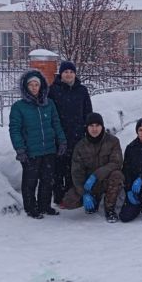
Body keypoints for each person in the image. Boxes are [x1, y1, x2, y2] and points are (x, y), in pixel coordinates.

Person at [9, 70, 67, 219]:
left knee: (48, 180)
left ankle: (45, 205)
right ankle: (31, 208)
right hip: (30, 151)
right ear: (25, 87)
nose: (34, 87)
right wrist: (20, 149)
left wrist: (61, 140)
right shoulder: (19, 107)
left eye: (37, 84)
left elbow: (56, 123)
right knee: (30, 181)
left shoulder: (49, 104)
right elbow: (15, 130)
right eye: (31, 85)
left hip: (48, 149)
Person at [48, 61, 92, 206]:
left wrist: (87, 131)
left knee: (74, 169)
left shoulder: (82, 90)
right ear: (61, 74)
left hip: (77, 135)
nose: (68, 74)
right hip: (59, 136)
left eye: (71, 72)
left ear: (75, 74)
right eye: (65, 72)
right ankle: (59, 197)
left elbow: (88, 112)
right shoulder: (53, 90)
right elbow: (49, 113)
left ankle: (72, 198)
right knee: (59, 169)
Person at [71, 112, 124, 223]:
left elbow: (116, 163)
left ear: (102, 127)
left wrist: (96, 175)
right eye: (91, 126)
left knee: (117, 175)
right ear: (87, 127)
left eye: (97, 125)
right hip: (89, 185)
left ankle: (109, 209)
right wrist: (84, 193)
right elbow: (76, 172)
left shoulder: (113, 141)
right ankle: (93, 199)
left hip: (105, 180)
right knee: (69, 201)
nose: (94, 129)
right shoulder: (80, 146)